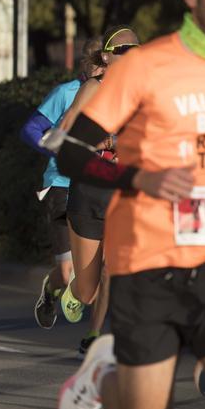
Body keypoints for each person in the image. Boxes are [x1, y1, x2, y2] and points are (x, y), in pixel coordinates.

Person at [54, 0, 205, 409]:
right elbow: (71, 152)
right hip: (151, 261)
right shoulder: (145, 67)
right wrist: (139, 179)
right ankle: (104, 377)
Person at [55, 26, 139, 358]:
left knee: (114, 268)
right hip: (89, 191)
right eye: (122, 51)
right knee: (88, 289)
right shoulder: (94, 87)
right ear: (106, 57)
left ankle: (106, 336)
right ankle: (73, 290)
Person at [23, 37, 103, 333]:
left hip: (98, 188)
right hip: (61, 183)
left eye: (103, 63)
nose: (98, 70)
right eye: (94, 63)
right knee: (68, 270)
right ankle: (51, 289)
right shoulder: (66, 93)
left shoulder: (120, 96)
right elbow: (31, 129)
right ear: (85, 63)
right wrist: (57, 150)